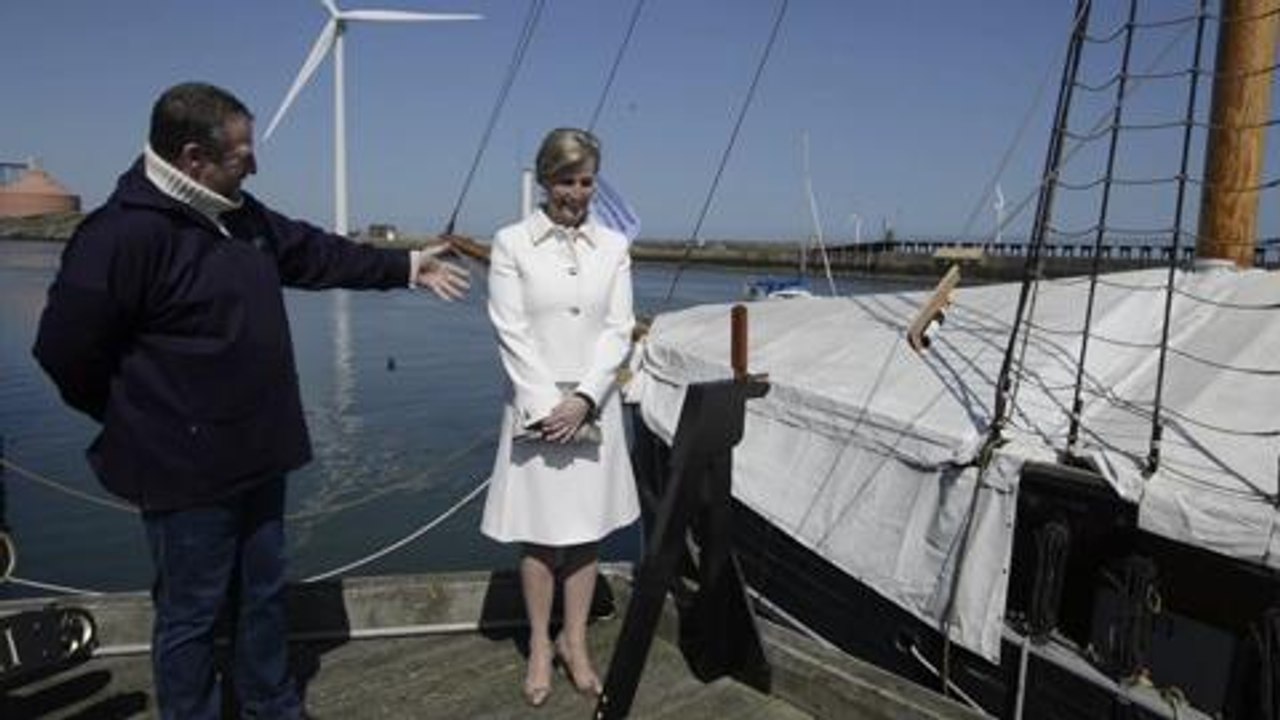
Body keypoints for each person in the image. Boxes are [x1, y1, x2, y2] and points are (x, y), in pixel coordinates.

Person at [32, 81, 469, 719]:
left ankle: (271, 706)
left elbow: (314, 253)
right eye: (243, 154)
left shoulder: (241, 216)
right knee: (190, 614)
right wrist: (143, 420)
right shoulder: (121, 236)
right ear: (193, 158)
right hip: (183, 471)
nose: (256, 165)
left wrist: (405, 268)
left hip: (259, 453)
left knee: (263, 595)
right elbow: (64, 352)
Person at [480, 128, 640, 707]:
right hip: (536, 409)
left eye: (586, 181)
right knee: (541, 536)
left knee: (586, 532)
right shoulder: (511, 243)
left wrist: (586, 399)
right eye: (567, 180)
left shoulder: (614, 247)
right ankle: (539, 647)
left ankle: (575, 643)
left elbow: (619, 329)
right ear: (546, 180)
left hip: (594, 408)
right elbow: (510, 328)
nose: (577, 192)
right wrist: (551, 404)